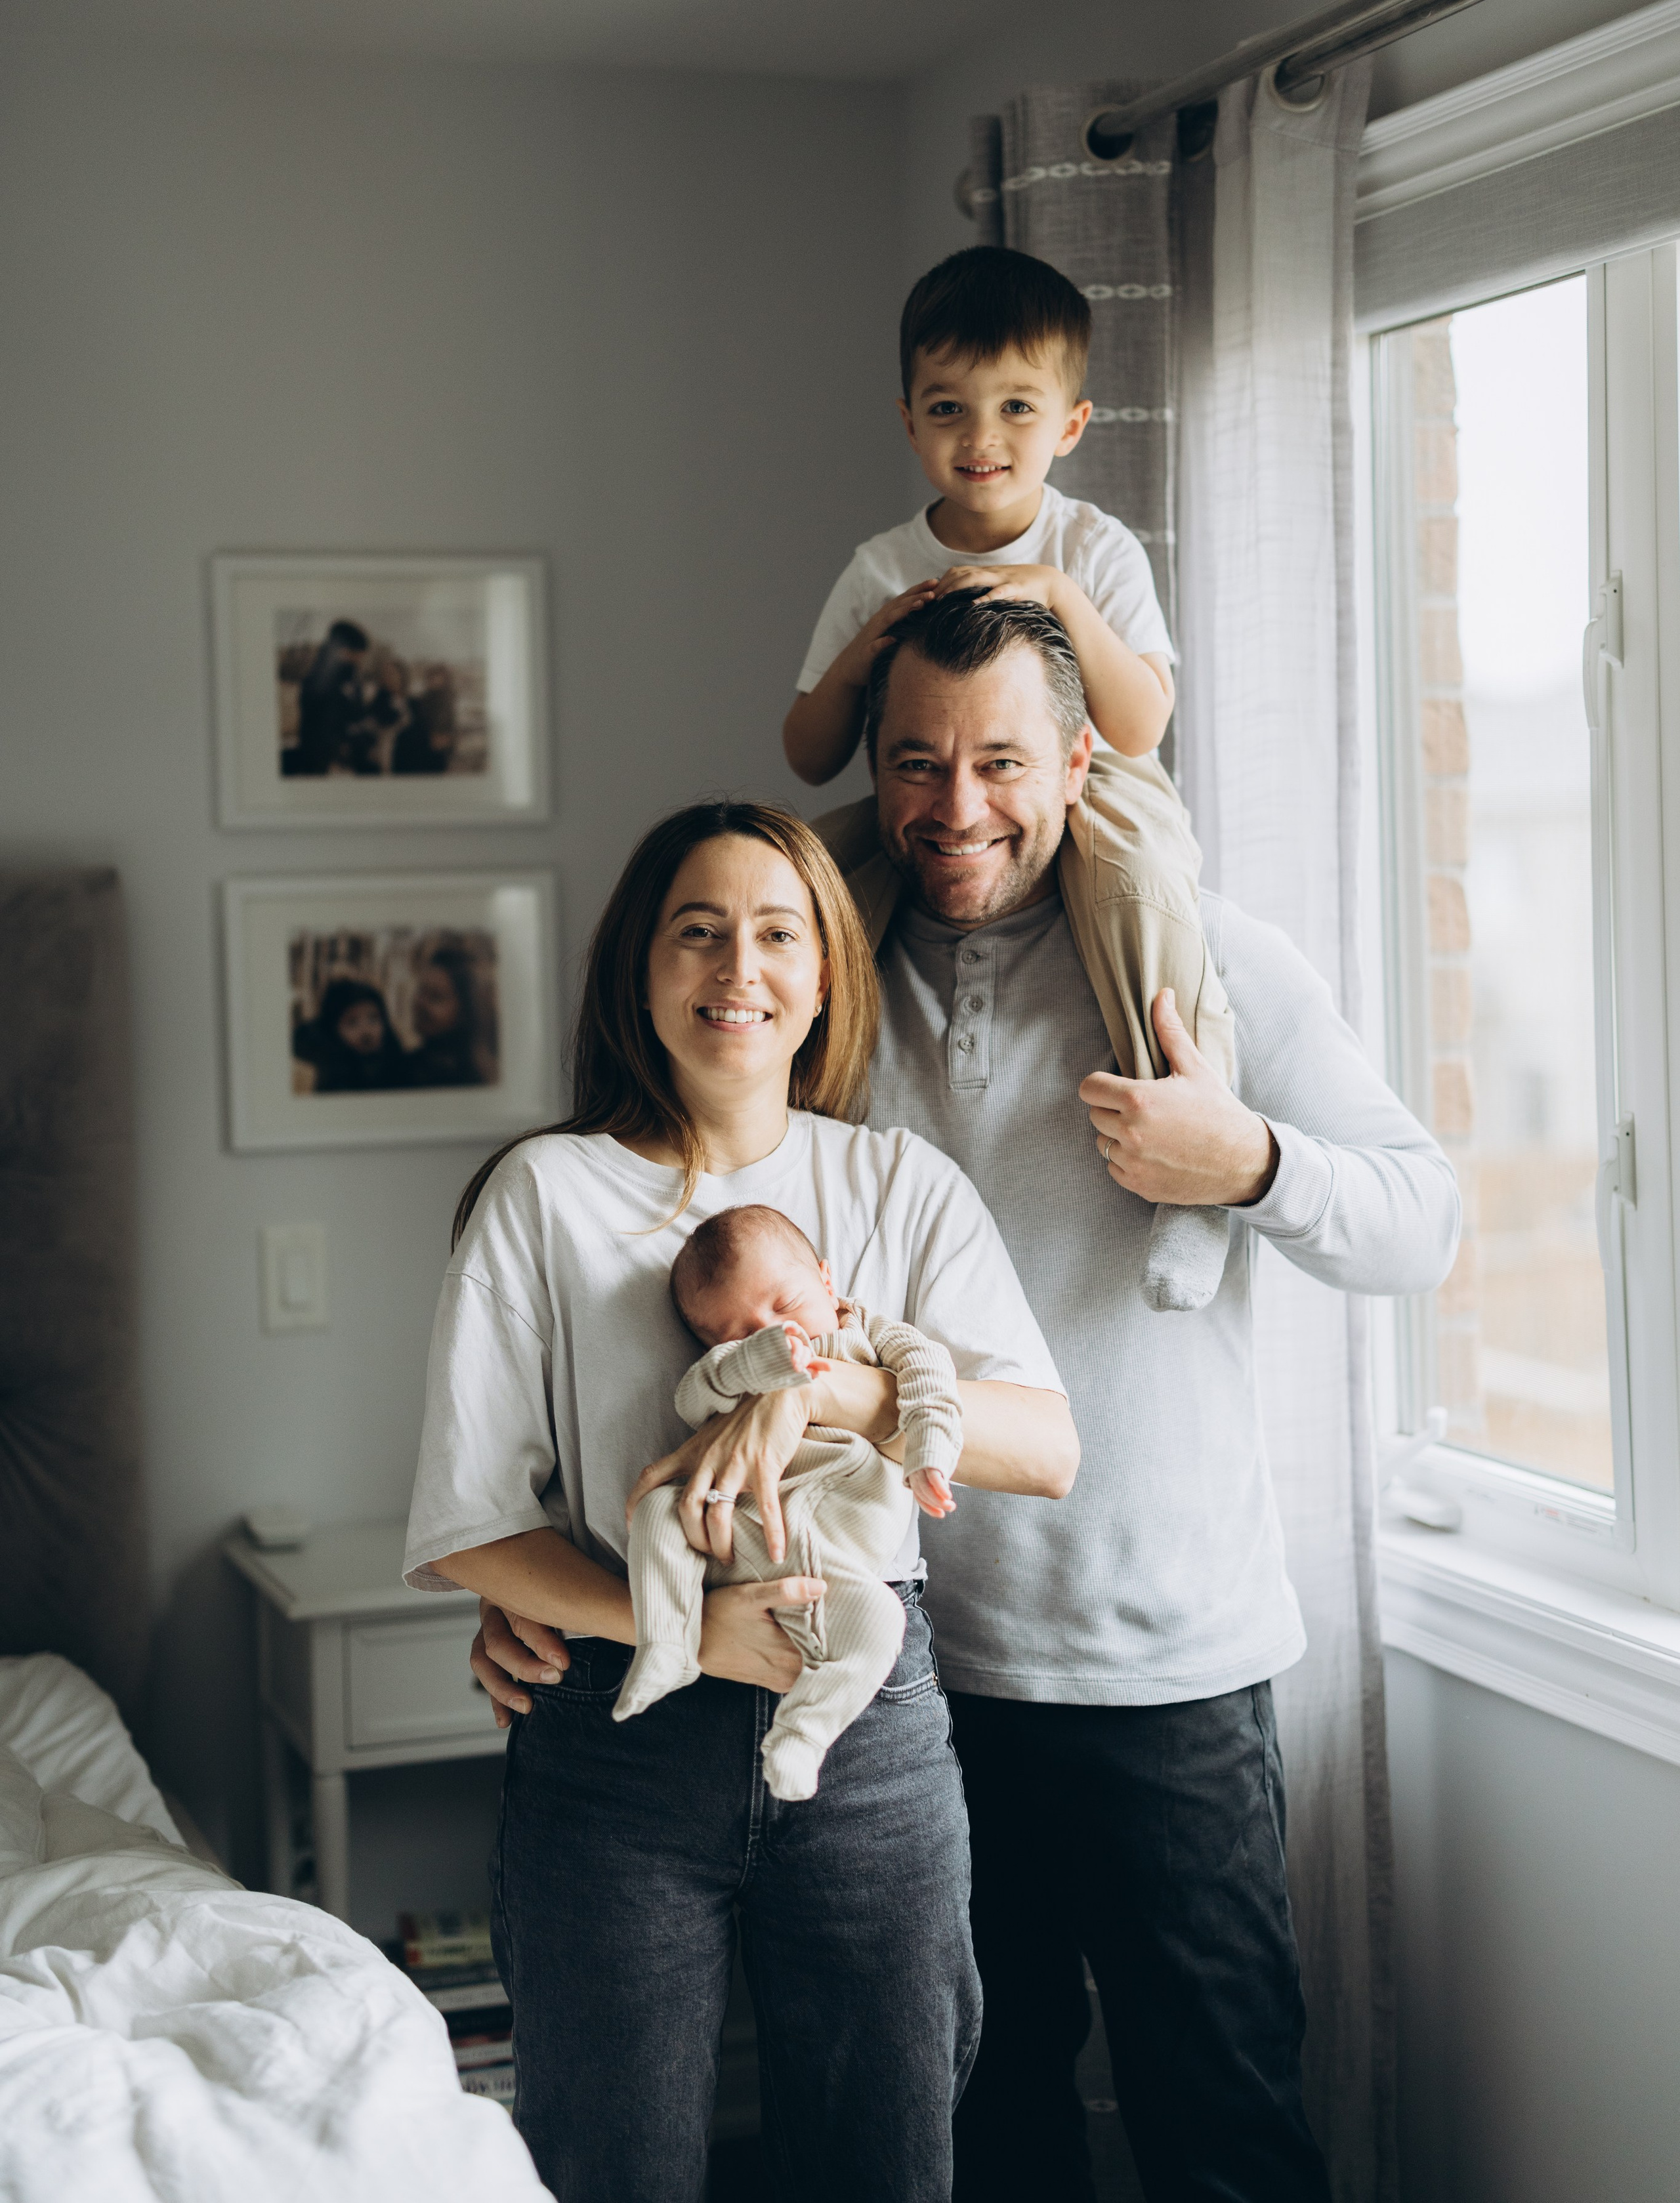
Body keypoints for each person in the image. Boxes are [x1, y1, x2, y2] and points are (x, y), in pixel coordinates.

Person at [474, 599, 1459, 2202]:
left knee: (1220, 2128)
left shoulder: (1207, 964)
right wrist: (569, 1589)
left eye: (1000, 759)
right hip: (903, 1691)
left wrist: (1248, 1157)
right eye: (916, 762)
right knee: (973, 2146)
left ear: (1077, 760)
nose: (956, 806)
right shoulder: (817, 1000)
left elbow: (1422, 1217)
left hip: (1165, 1665)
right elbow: (682, 1315)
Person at [404, 799, 1077, 2203]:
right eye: (695, 932)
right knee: (612, 2167)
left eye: (776, 933)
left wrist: (816, 1393)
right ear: (636, 972)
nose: (736, 968)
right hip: (617, 1750)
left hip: (868, 1738)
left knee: (884, 2164)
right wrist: (682, 1636)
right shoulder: (543, 1195)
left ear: (824, 972)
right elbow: (472, 1524)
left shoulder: (898, 1183)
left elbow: (1041, 1443)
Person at [784, 243, 1234, 1313]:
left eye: (1017, 410)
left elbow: (1139, 725)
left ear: (1070, 425)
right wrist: (872, 642)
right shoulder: (881, 565)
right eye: (948, 410)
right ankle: (790, 1168)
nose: (981, 440)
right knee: (790, 881)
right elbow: (807, 748)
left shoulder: (1096, 545)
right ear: (908, 420)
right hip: (916, 782)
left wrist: (1059, 600)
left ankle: (1196, 1181)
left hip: (1099, 783)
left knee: (1154, 892)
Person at [618, 1203, 964, 1802]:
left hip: (839, 1570)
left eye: (784, 1306)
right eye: (731, 1331)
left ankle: (801, 1737)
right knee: (657, 1510)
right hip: (737, 1545)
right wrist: (754, 1359)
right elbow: (692, 1398)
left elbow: (933, 1386)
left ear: (827, 1281)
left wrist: (929, 1454)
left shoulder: (873, 1340)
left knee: (883, 1625)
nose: (775, 1330)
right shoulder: (739, 1367)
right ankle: (667, 1643)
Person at [282, 618, 370, 776]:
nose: (359, 660)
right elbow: (320, 725)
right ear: (342, 650)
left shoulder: (352, 679)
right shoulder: (319, 680)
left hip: (345, 760)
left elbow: (357, 713)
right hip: (322, 763)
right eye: (356, 655)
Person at [291, 975, 406, 1093]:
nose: (366, 1031)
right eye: (352, 1022)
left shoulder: (395, 1060)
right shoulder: (331, 1072)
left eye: (373, 1018)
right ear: (333, 1030)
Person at [402, 945, 486, 1089]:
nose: (421, 1003)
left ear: (463, 1013)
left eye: (436, 997)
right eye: (422, 990)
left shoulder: (464, 1082)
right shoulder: (408, 1065)